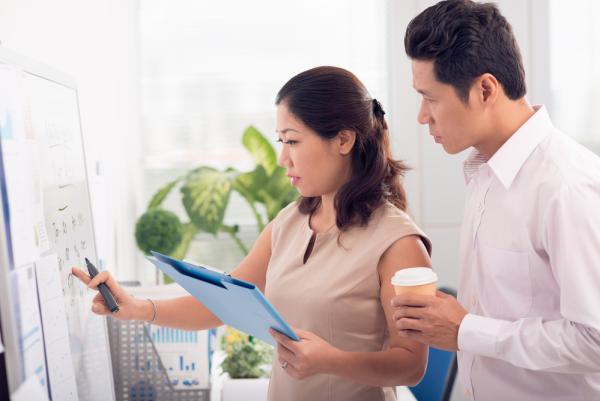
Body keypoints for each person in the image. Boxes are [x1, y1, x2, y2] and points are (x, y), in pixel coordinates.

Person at [73, 66, 433, 401]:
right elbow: (219, 304)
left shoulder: (398, 242)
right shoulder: (288, 223)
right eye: (280, 142)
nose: (282, 160)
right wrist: (137, 308)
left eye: (292, 141)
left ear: (343, 140)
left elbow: (410, 365)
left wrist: (331, 360)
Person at [391, 1, 600, 400]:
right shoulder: (483, 173)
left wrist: (467, 331)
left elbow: (595, 339)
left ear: (485, 89)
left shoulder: (567, 187)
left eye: (430, 98)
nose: (422, 116)